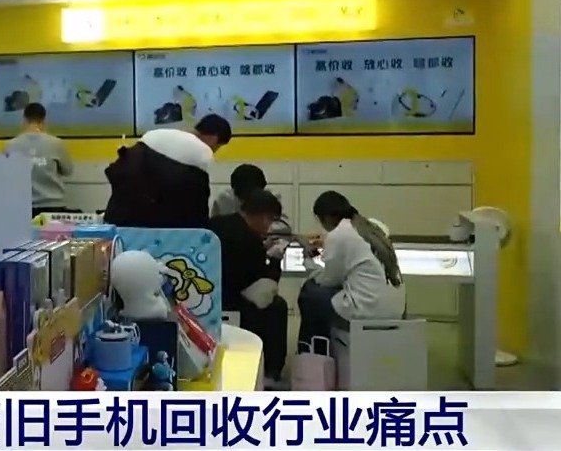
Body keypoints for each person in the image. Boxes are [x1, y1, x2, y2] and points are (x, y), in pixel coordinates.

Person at [297, 190, 406, 348]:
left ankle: (312, 352)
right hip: (395, 309)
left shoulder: (339, 234)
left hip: (369, 310)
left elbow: (328, 280)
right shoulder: (368, 227)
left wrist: (309, 262)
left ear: (326, 217)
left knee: (311, 293)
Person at [210, 188, 288, 387]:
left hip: (209, 296)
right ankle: (271, 372)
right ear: (263, 216)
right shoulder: (250, 240)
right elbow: (262, 286)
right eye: (270, 220)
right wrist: (275, 260)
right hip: (232, 302)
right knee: (277, 307)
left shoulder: (218, 223)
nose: (269, 226)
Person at [103, 114, 232, 228]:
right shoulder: (201, 153)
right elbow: (196, 204)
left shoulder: (156, 136)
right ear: (214, 138)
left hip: (121, 217)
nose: (214, 151)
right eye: (218, 147)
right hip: (161, 227)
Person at [3, 103, 74, 218]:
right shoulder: (56, 143)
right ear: (44, 120)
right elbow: (68, 171)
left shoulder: (11, 145)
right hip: (53, 206)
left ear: (24, 119)